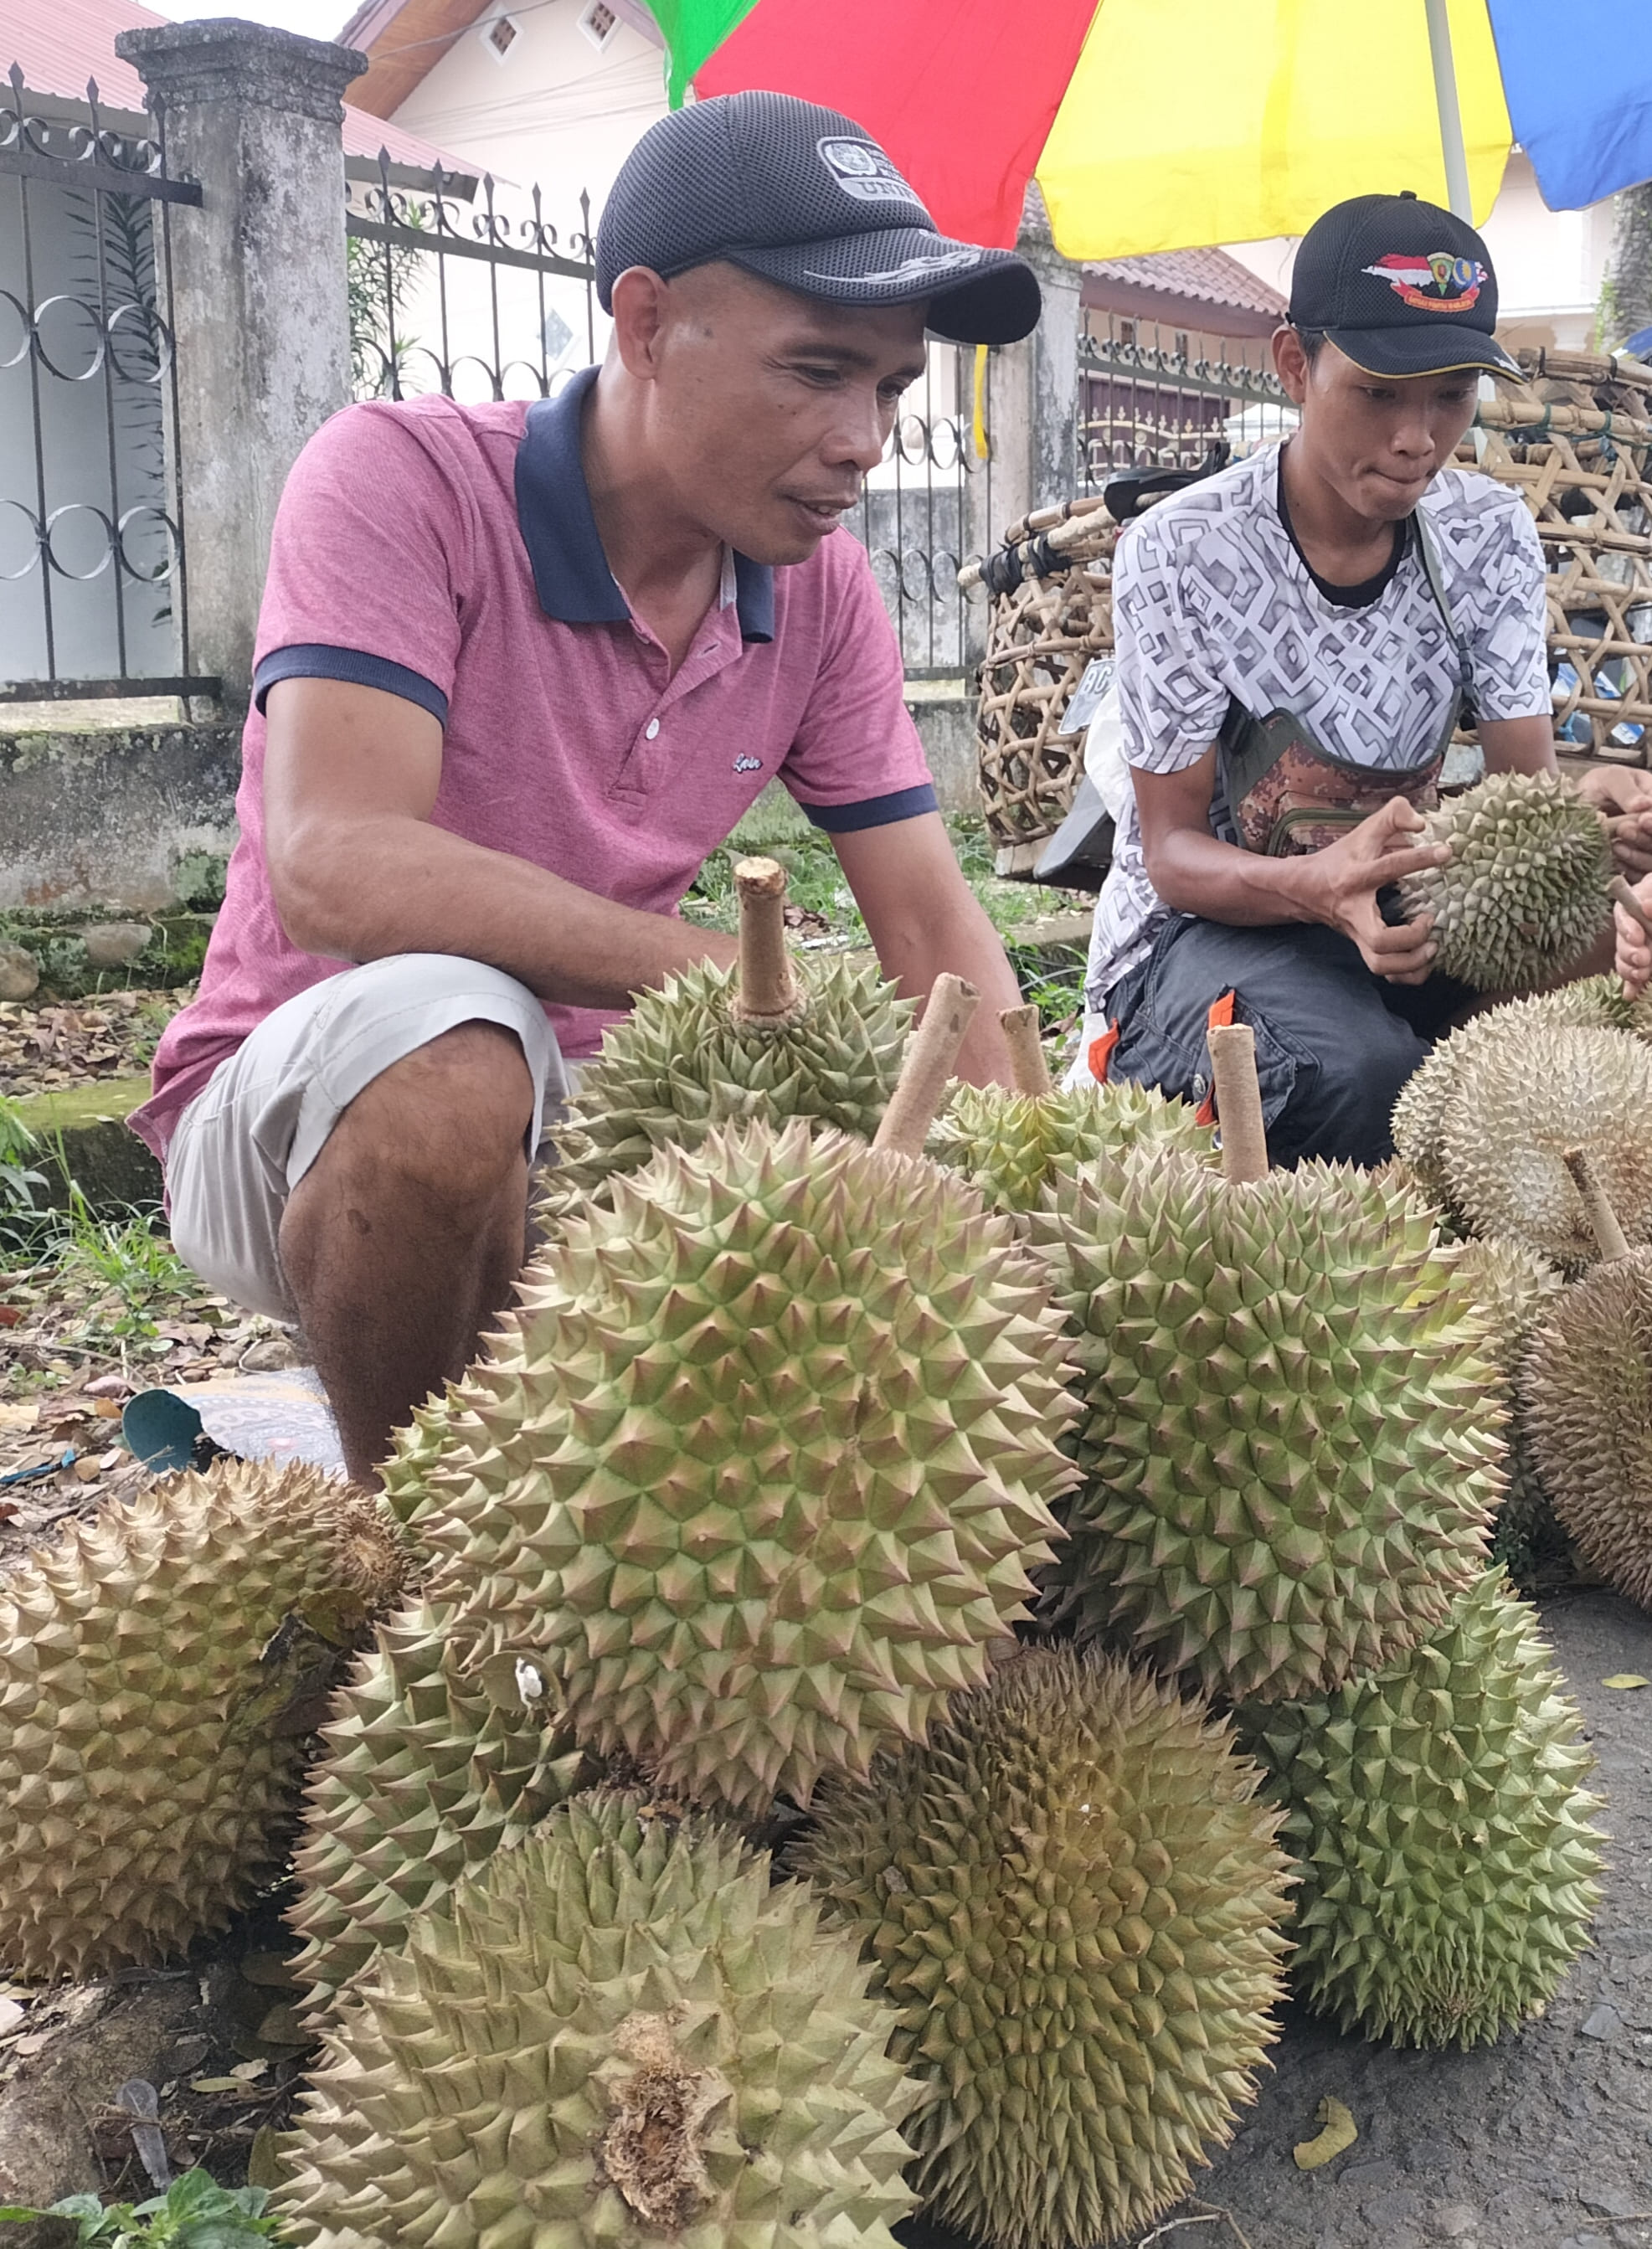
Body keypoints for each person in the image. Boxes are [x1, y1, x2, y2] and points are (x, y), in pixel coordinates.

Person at [129, 92, 1041, 1487]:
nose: (865, 438)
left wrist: (1029, 1167)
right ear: (643, 323)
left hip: (616, 1135)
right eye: (816, 370)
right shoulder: (402, 481)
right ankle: (422, 1540)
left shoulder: (817, 591)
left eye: (891, 388)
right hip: (307, 1114)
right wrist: (723, 970)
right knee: (458, 1050)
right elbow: (334, 859)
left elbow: (927, 923)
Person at [1070, 190, 1652, 1163]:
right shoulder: (1183, 548)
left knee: (1614, 962)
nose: (1417, 437)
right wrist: (1315, 886)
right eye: (1378, 391)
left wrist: (1593, 815)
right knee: (1363, 1080)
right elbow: (1170, 856)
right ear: (1295, 365)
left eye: (1450, 394)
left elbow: (1516, 797)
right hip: (1197, 936)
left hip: (1401, 912)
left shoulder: (1483, 532)